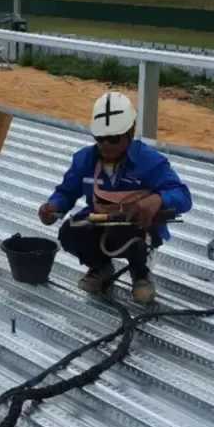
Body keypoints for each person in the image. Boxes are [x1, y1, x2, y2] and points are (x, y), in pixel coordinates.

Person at [38, 92, 193, 303]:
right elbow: (67, 192)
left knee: (134, 234)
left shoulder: (150, 162)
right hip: (100, 221)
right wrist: (53, 207)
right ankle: (101, 267)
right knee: (70, 232)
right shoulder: (84, 160)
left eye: (114, 138)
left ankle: (141, 274)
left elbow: (183, 196)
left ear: (130, 131)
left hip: (135, 228)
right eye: (100, 139)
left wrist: (158, 199)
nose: (106, 145)